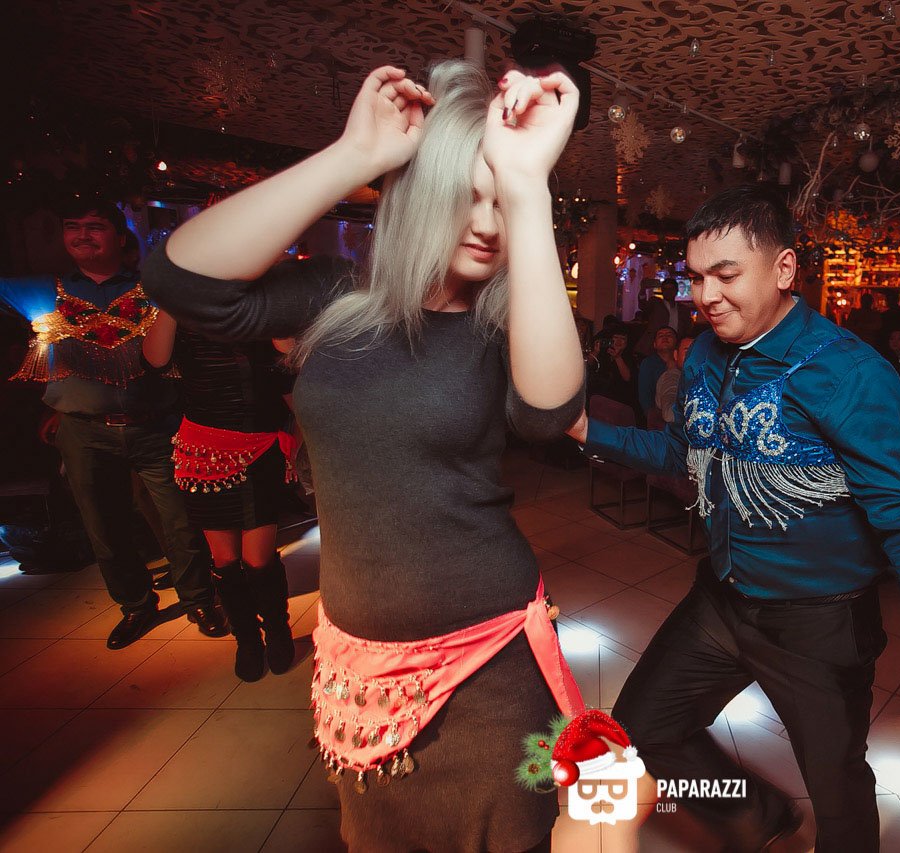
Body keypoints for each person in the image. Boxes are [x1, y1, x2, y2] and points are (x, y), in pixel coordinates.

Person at [144, 62, 586, 852]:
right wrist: (354, 155)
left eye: (501, 200)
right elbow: (178, 279)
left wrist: (527, 188)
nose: (486, 223)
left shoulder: (503, 324)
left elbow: (550, 416)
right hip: (358, 667)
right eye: (465, 194)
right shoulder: (334, 296)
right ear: (418, 192)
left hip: (489, 667)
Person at [567, 185, 900, 852]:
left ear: (783, 269)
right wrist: (587, 430)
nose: (706, 295)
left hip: (818, 622)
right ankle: (758, 817)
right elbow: (685, 451)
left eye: (726, 275)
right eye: (696, 276)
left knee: (838, 793)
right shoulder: (706, 356)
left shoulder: (847, 371)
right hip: (721, 599)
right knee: (642, 729)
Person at [0, 198, 227, 649]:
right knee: (103, 526)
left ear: (120, 237)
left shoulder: (155, 288)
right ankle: (135, 606)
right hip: (82, 431)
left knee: (180, 521)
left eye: (95, 226)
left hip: (157, 426)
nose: (82, 235)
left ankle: (199, 598)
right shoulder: (40, 290)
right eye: (72, 226)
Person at [142, 315, 297, 682]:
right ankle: (247, 640)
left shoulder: (258, 306)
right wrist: (172, 299)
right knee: (225, 560)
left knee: (258, 559)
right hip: (205, 451)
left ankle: (277, 629)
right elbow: (154, 360)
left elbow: (289, 360)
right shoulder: (182, 308)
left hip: (260, 446)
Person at [637, 325, 677, 422]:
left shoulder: (683, 362)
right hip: (657, 417)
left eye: (669, 335)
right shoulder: (648, 363)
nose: (665, 337)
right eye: (660, 335)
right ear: (655, 344)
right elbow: (645, 395)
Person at [655, 333, 696, 423]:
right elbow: (670, 414)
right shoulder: (672, 376)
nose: (694, 357)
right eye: (687, 352)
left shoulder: (701, 377)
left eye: (698, 353)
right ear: (676, 355)